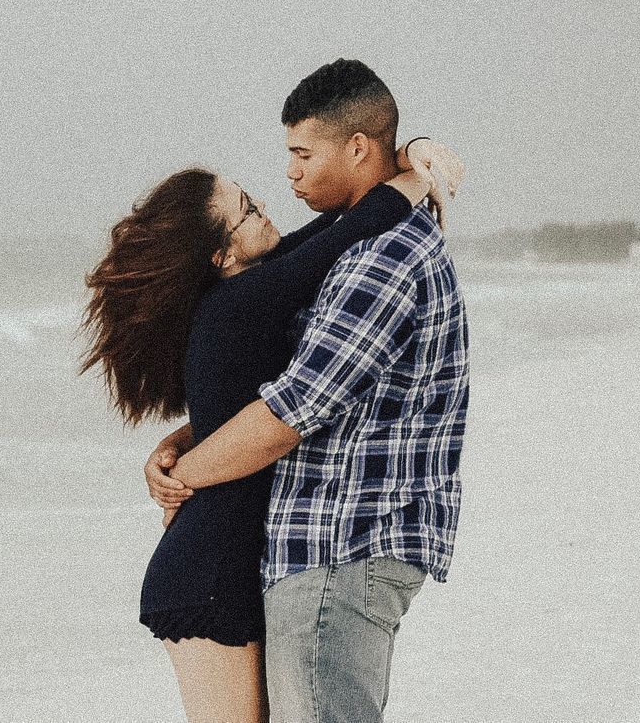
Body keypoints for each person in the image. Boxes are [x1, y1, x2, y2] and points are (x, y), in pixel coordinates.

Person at [82, 129, 462, 720]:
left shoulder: (250, 293)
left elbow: (331, 230)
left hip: (231, 564)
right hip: (205, 573)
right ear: (220, 255)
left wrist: (407, 152)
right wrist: (417, 172)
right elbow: (352, 229)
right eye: (248, 210)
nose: (266, 208)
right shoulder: (241, 303)